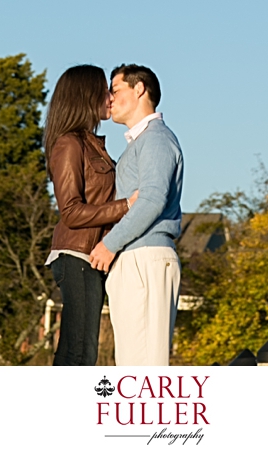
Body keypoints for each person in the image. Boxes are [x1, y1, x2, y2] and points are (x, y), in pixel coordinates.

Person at [89, 64, 184, 366]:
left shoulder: (156, 139)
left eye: (115, 91)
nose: (109, 100)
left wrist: (109, 245)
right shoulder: (143, 142)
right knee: (133, 365)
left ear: (139, 89)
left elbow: (152, 199)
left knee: (143, 370)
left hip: (144, 257)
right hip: (136, 258)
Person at [43, 64, 138, 365]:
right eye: (104, 90)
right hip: (76, 256)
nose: (110, 97)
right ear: (86, 95)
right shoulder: (69, 144)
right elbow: (70, 212)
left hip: (89, 258)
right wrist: (127, 205)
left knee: (76, 350)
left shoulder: (92, 145)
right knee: (80, 352)